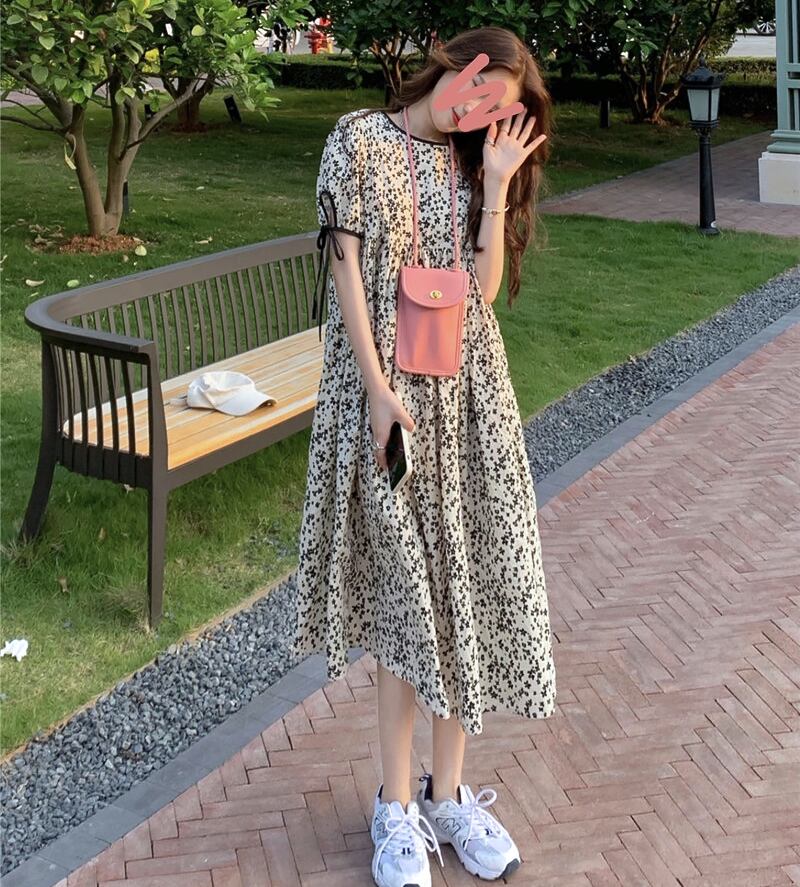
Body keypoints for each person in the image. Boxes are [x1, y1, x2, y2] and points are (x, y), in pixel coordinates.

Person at [292, 25, 558, 887]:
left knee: (460, 592)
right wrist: (377, 391)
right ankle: (397, 806)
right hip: (388, 406)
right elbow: (346, 273)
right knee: (407, 604)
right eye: (480, 88)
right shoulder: (357, 140)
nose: (477, 112)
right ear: (454, 61)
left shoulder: (468, 167)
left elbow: (480, 294)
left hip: (467, 407)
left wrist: (497, 186)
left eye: (498, 111)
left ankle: (449, 797)